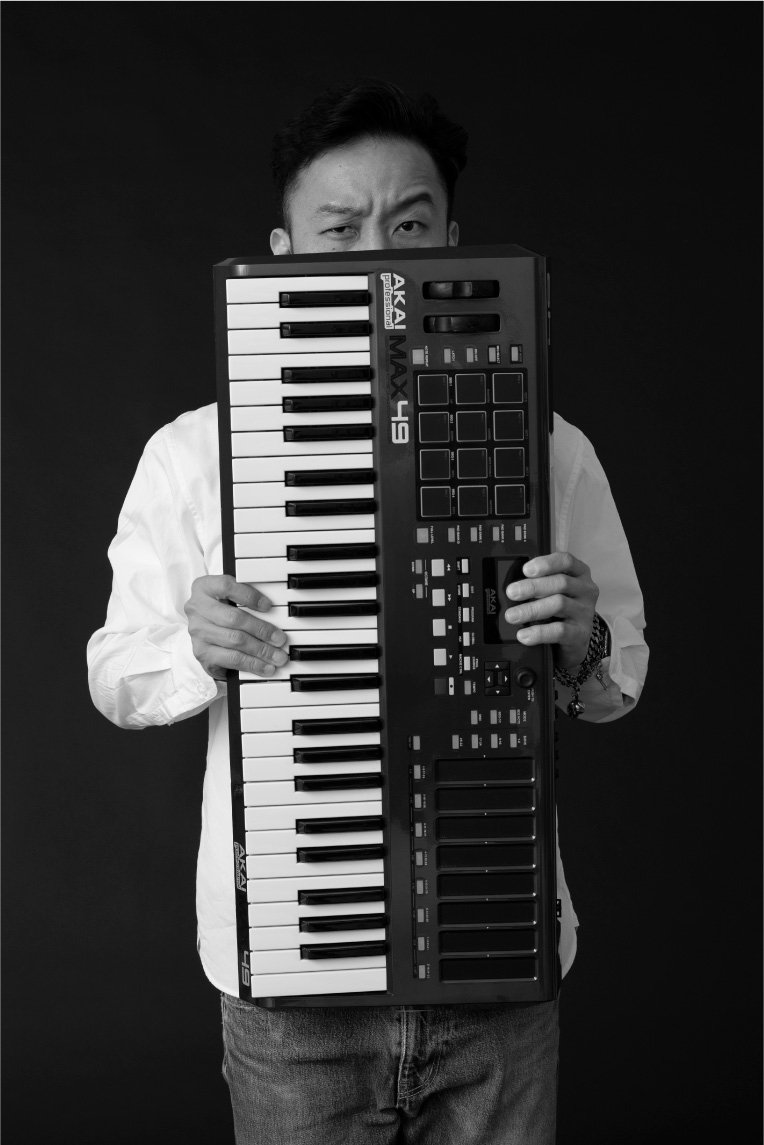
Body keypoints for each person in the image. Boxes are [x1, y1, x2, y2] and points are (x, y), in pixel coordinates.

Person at [87, 78, 648, 1145]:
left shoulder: (552, 447)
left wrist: (581, 639)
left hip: (497, 978)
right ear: (284, 253)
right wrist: (196, 648)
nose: (377, 253)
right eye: (339, 228)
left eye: (409, 223)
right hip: (291, 1002)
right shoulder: (192, 453)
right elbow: (114, 673)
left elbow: (619, 682)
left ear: (451, 242)